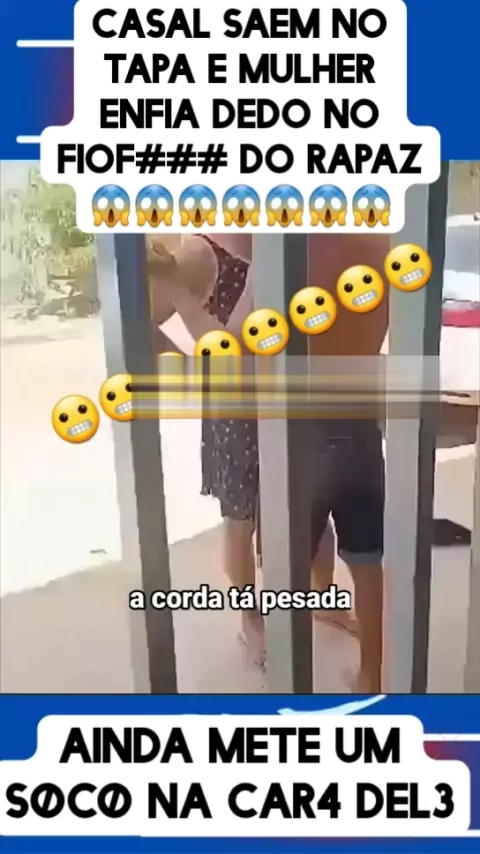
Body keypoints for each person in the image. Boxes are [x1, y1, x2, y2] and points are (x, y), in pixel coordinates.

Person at [149, 232, 389, 692]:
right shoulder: (379, 242)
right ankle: (371, 675)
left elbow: (233, 359)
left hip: (299, 434)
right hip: (359, 420)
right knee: (366, 558)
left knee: (283, 566)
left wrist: (178, 296)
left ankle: (288, 687)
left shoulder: (281, 256)